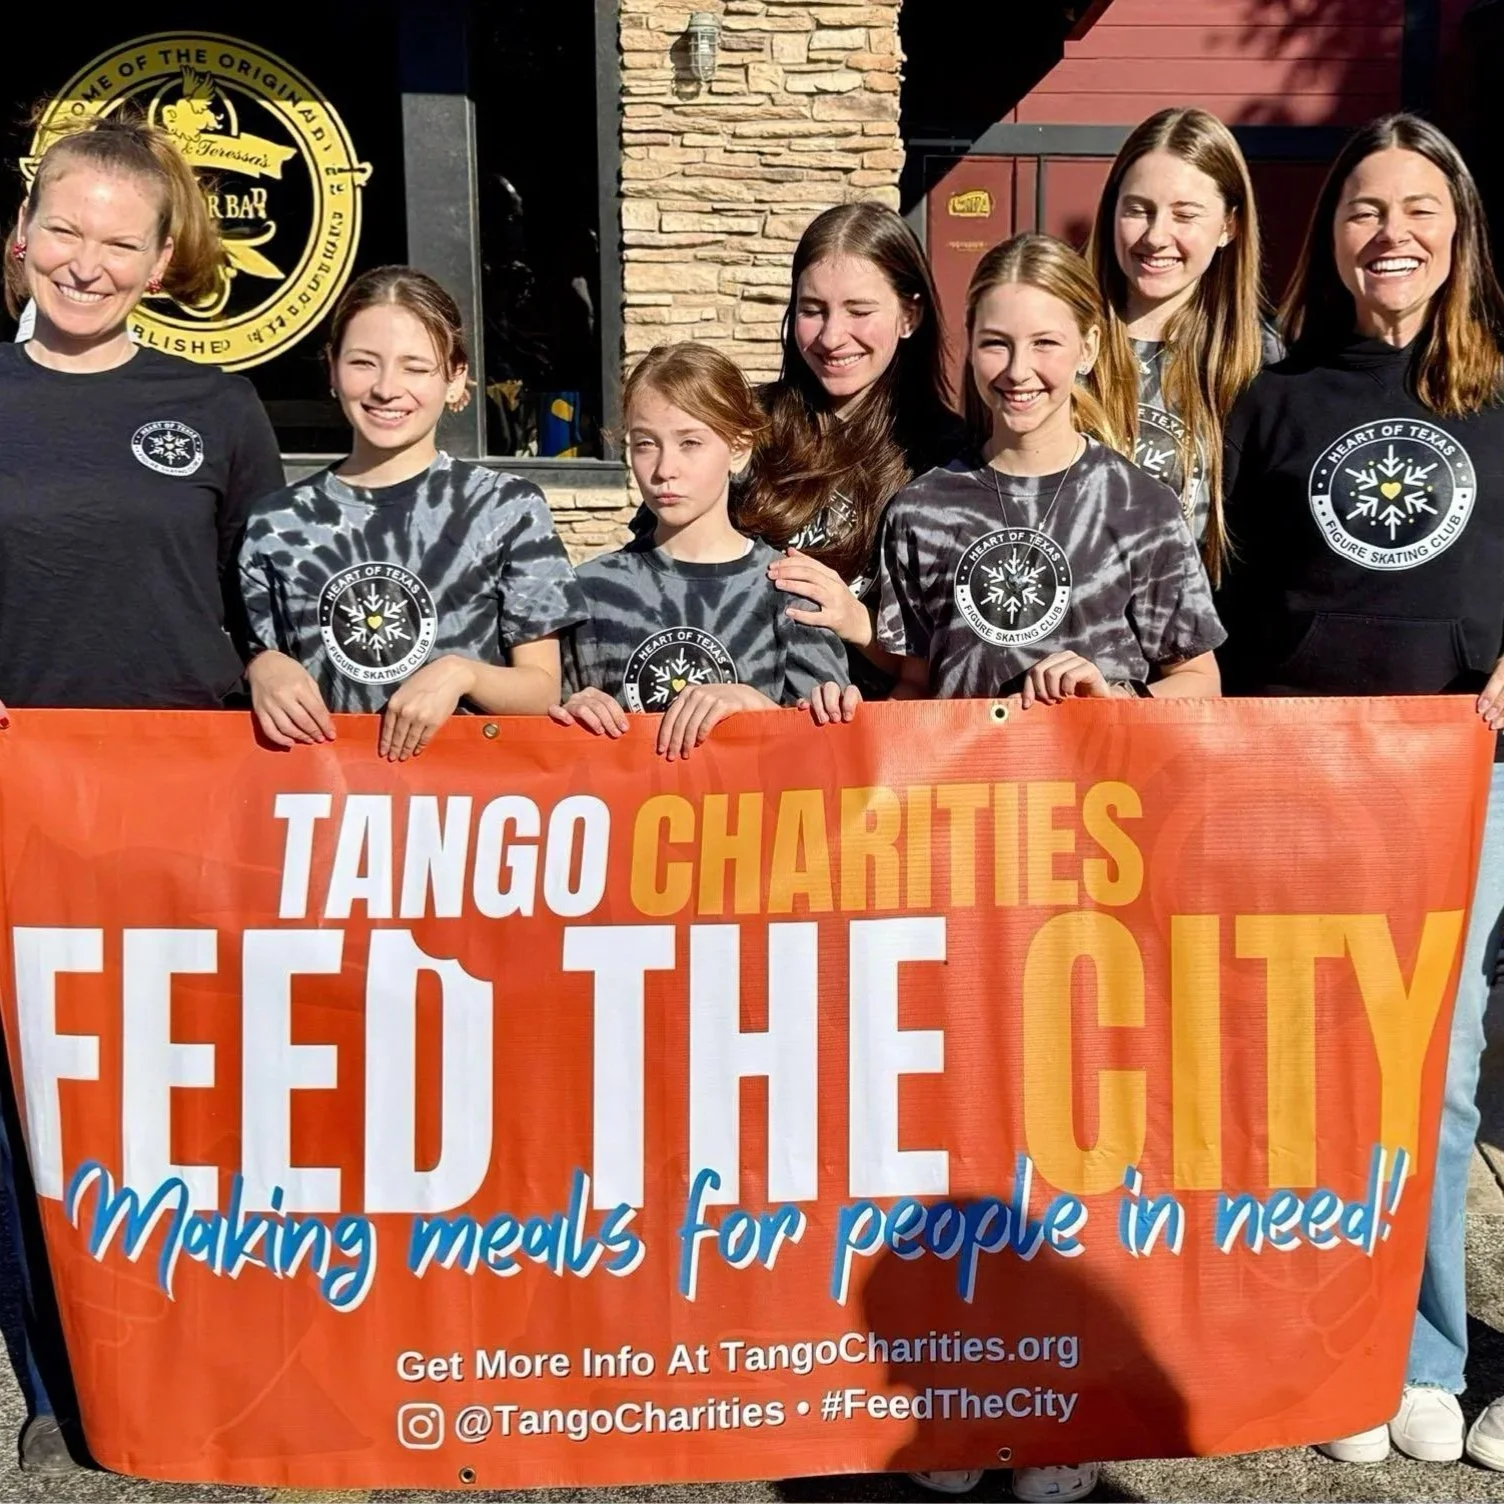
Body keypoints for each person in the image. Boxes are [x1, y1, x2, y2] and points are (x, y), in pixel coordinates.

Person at [873, 234, 1223, 1500]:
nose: (1017, 369)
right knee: (958, 1146)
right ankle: (968, 1398)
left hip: (1094, 883)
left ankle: (1063, 1410)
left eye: (1043, 342)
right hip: (954, 875)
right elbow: (909, 685)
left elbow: (1199, 682)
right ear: (966, 353)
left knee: (1074, 1155)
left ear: (1087, 350)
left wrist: (1110, 697)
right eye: (995, 343)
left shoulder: (1139, 503)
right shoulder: (923, 508)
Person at [1214, 113, 1504, 1468]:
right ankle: (1310, 1336)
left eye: (1417, 209)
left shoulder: (1503, 386)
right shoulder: (1274, 402)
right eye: (1363, 210)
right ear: (1329, 238)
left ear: (1459, 233)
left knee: (1434, 1083)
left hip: (1462, 783)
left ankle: (1422, 1352)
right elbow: (1234, 601)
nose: (1390, 233)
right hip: (1304, 781)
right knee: (1305, 1071)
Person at [0, 112, 284, 1470]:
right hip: (20, 825)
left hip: (185, 823)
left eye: (120, 240)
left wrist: (286, 665)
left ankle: (209, 1358)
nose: (87, 262)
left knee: (194, 1098)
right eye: (66, 229)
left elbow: (273, 599)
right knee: (28, 1113)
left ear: (165, 257)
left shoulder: (217, 409)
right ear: (21, 235)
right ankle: (59, 1390)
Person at [238, 267, 585, 759]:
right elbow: (252, 663)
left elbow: (542, 690)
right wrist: (261, 666)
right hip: (327, 806)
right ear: (331, 369)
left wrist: (461, 672)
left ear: (454, 377)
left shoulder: (507, 509)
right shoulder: (276, 524)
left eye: (415, 367)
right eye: (363, 362)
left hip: (466, 805)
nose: (386, 387)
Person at [624, 203, 956, 691]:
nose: (831, 336)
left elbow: (961, 656)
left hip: (868, 743)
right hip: (721, 724)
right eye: (811, 310)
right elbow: (650, 568)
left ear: (910, 315)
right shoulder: (744, 424)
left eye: (859, 311)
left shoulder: (949, 458)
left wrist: (858, 622)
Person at [552, 342, 857, 758]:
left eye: (690, 443)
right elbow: (542, 751)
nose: (664, 470)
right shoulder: (590, 591)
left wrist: (758, 709)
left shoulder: (791, 591)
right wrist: (565, 716)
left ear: (739, 449)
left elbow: (831, 757)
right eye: (645, 444)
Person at [1086, 106, 1276, 575]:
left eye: (1184, 214)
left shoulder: (1262, 357)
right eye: (1138, 209)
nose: (1156, 236)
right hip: (1068, 633)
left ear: (1229, 226)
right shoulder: (1061, 336)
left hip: (1201, 637)